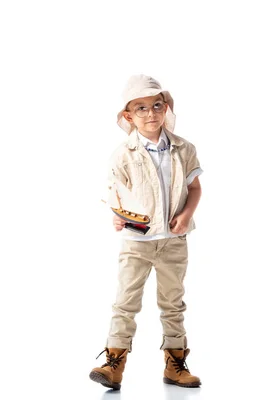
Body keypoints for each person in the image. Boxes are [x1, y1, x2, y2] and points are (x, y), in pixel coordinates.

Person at [89, 75, 204, 390]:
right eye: (141, 108)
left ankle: (175, 363)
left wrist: (185, 215)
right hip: (136, 242)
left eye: (156, 105)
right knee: (125, 301)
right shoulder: (123, 154)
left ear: (166, 108)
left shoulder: (184, 149)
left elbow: (194, 188)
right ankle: (114, 363)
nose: (150, 113)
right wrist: (116, 216)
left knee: (173, 302)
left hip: (173, 242)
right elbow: (117, 195)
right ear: (128, 115)